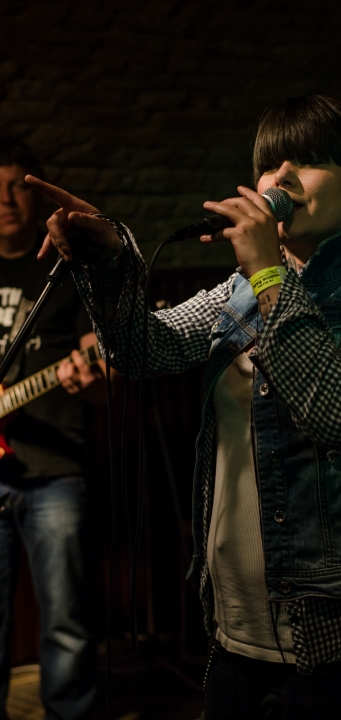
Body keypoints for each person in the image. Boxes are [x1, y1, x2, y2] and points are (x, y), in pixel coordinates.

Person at [28, 95, 341, 719]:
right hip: (237, 639)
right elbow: (143, 349)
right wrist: (110, 259)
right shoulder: (239, 292)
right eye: (268, 164)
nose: (279, 177)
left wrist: (268, 276)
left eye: (307, 160)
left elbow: (337, 412)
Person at [0, 138, 110, 720]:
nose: (5, 201)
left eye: (15, 188)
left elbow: (105, 374)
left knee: (67, 620)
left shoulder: (66, 270)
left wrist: (88, 376)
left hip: (57, 472)